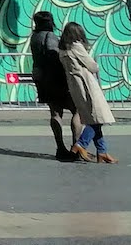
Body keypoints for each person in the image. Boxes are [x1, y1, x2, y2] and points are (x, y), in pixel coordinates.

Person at [58, 22, 115, 163]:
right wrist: (95, 65)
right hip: (87, 85)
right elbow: (92, 66)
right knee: (96, 118)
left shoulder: (63, 50)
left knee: (94, 118)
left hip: (75, 87)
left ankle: (102, 151)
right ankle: (80, 144)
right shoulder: (76, 46)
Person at [29, 10, 81, 159]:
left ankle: (60, 147)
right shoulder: (50, 36)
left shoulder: (35, 37)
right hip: (57, 79)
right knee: (76, 110)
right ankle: (75, 146)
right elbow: (54, 55)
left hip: (42, 78)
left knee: (55, 113)